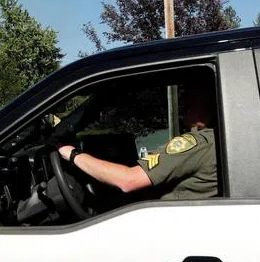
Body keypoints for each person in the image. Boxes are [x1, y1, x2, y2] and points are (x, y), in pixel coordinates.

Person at [57, 84, 219, 200]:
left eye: (191, 98)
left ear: (210, 102)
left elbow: (128, 180)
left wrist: (73, 154)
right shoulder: (214, 141)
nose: (184, 101)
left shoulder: (201, 143)